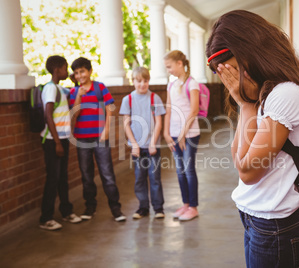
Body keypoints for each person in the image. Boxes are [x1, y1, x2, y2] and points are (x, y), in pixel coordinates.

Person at [206, 10, 299, 268]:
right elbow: (239, 157)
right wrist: (245, 102)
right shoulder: (266, 93)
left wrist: (245, 105)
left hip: (275, 226)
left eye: (234, 70)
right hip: (257, 218)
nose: (232, 81)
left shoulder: (286, 94)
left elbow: (249, 172)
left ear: (253, 52)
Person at [69, 57, 126, 222]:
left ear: (89, 71)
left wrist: (106, 130)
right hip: (82, 139)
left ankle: (116, 209)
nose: (80, 75)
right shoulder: (73, 92)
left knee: (107, 174)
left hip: (100, 138)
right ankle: (90, 207)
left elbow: (111, 109)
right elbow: (75, 114)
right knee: (86, 175)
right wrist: (79, 96)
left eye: (82, 71)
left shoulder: (99, 87)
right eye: (77, 72)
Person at [39, 55, 82, 231]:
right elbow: (48, 114)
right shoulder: (50, 89)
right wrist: (57, 142)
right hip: (52, 140)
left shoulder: (60, 89)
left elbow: (74, 95)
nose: (68, 72)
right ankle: (46, 218)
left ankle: (66, 211)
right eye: (65, 68)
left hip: (61, 139)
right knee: (53, 178)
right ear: (57, 70)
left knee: (62, 177)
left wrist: (75, 82)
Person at [119, 67, 166, 219]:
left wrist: (153, 142)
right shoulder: (128, 100)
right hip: (137, 148)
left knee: (155, 178)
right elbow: (126, 124)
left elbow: (159, 122)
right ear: (133, 81)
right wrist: (134, 144)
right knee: (140, 178)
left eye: (145, 81)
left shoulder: (154, 98)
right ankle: (143, 207)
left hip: (152, 147)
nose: (142, 84)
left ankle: (158, 208)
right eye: (139, 81)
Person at [163, 50, 201, 221]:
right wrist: (166, 132)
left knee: (189, 170)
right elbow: (168, 109)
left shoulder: (192, 84)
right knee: (180, 171)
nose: (168, 70)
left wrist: (183, 134)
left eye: (169, 66)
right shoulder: (171, 85)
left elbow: (194, 110)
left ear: (180, 63)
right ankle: (185, 204)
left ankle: (193, 207)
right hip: (174, 134)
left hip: (190, 134)